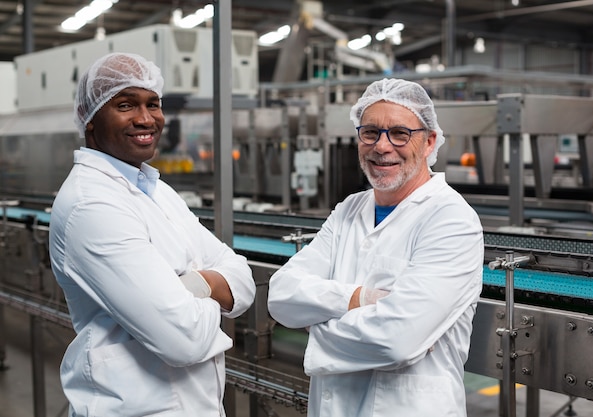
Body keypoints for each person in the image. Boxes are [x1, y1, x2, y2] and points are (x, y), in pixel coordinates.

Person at [49, 52, 256, 417]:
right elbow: (183, 338)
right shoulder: (92, 205)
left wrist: (188, 287)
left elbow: (242, 278)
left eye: (153, 104)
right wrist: (211, 286)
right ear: (91, 119)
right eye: (125, 105)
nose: (145, 119)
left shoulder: (155, 189)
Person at [267, 78, 484, 416]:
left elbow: (396, 339)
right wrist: (361, 299)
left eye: (400, 133)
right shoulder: (349, 210)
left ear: (429, 142)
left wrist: (315, 321)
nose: (382, 146)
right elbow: (280, 296)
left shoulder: (451, 219)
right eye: (370, 132)